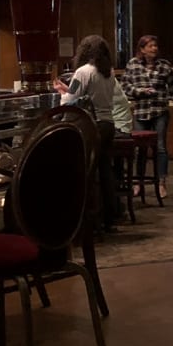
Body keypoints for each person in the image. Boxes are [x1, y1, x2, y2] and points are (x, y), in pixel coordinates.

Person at [55, 34, 121, 232]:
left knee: (87, 173)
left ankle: (89, 219)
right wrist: (69, 90)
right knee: (105, 171)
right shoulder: (108, 72)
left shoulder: (82, 71)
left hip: (92, 126)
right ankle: (110, 217)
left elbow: (69, 101)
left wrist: (62, 92)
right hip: (108, 124)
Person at [120, 34, 173, 199]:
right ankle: (138, 183)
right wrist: (140, 92)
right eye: (150, 46)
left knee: (160, 147)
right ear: (142, 49)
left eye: (155, 45)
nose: (154, 48)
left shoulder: (164, 65)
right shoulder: (133, 64)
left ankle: (161, 183)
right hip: (141, 111)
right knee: (140, 149)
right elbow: (124, 86)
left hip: (159, 110)